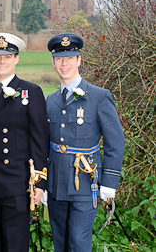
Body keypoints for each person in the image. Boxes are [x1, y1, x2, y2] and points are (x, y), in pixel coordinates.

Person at [46, 33, 125, 252]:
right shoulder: (50, 100)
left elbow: (115, 142)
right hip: (56, 185)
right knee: (60, 243)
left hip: (85, 183)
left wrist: (109, 182)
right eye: (60, 58)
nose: (65, 63)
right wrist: (43, 183)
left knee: (79, 243)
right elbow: (44, 143)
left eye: (70, 58)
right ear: (53, 62)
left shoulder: (99, 97)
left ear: (79, 60)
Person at [0, 32, 49, 252]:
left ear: (16, 59)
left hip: (18, 184)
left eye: (8, 56)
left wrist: (39, 182)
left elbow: (40, 140)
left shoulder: (31, 92)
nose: (2, 61)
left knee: (16, 245)